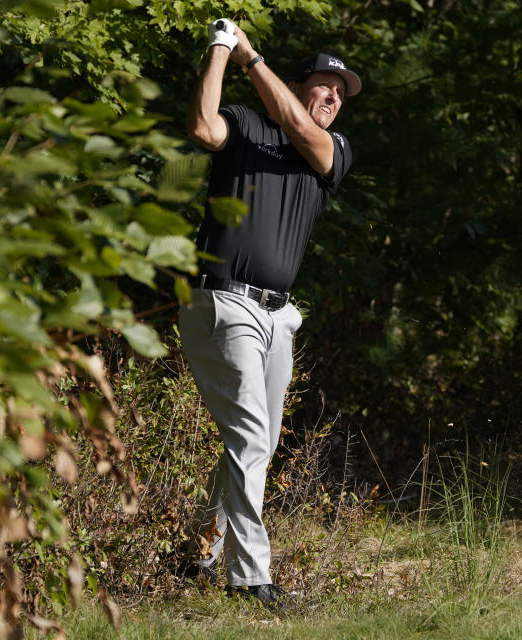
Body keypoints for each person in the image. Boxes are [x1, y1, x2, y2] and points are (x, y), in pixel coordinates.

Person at [178, 18, 361, 606]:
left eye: (341, 93)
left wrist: (250, 56)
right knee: (253, 437)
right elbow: (203, 127)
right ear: (300, 82)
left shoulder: (332, 152)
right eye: (325, 85)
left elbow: (300, 128)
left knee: (258, 439)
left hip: (278, 317)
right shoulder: (249, 121)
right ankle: (251, 577)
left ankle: (198, 551)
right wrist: (220, 49)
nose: (333, 98)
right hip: (224, 301)